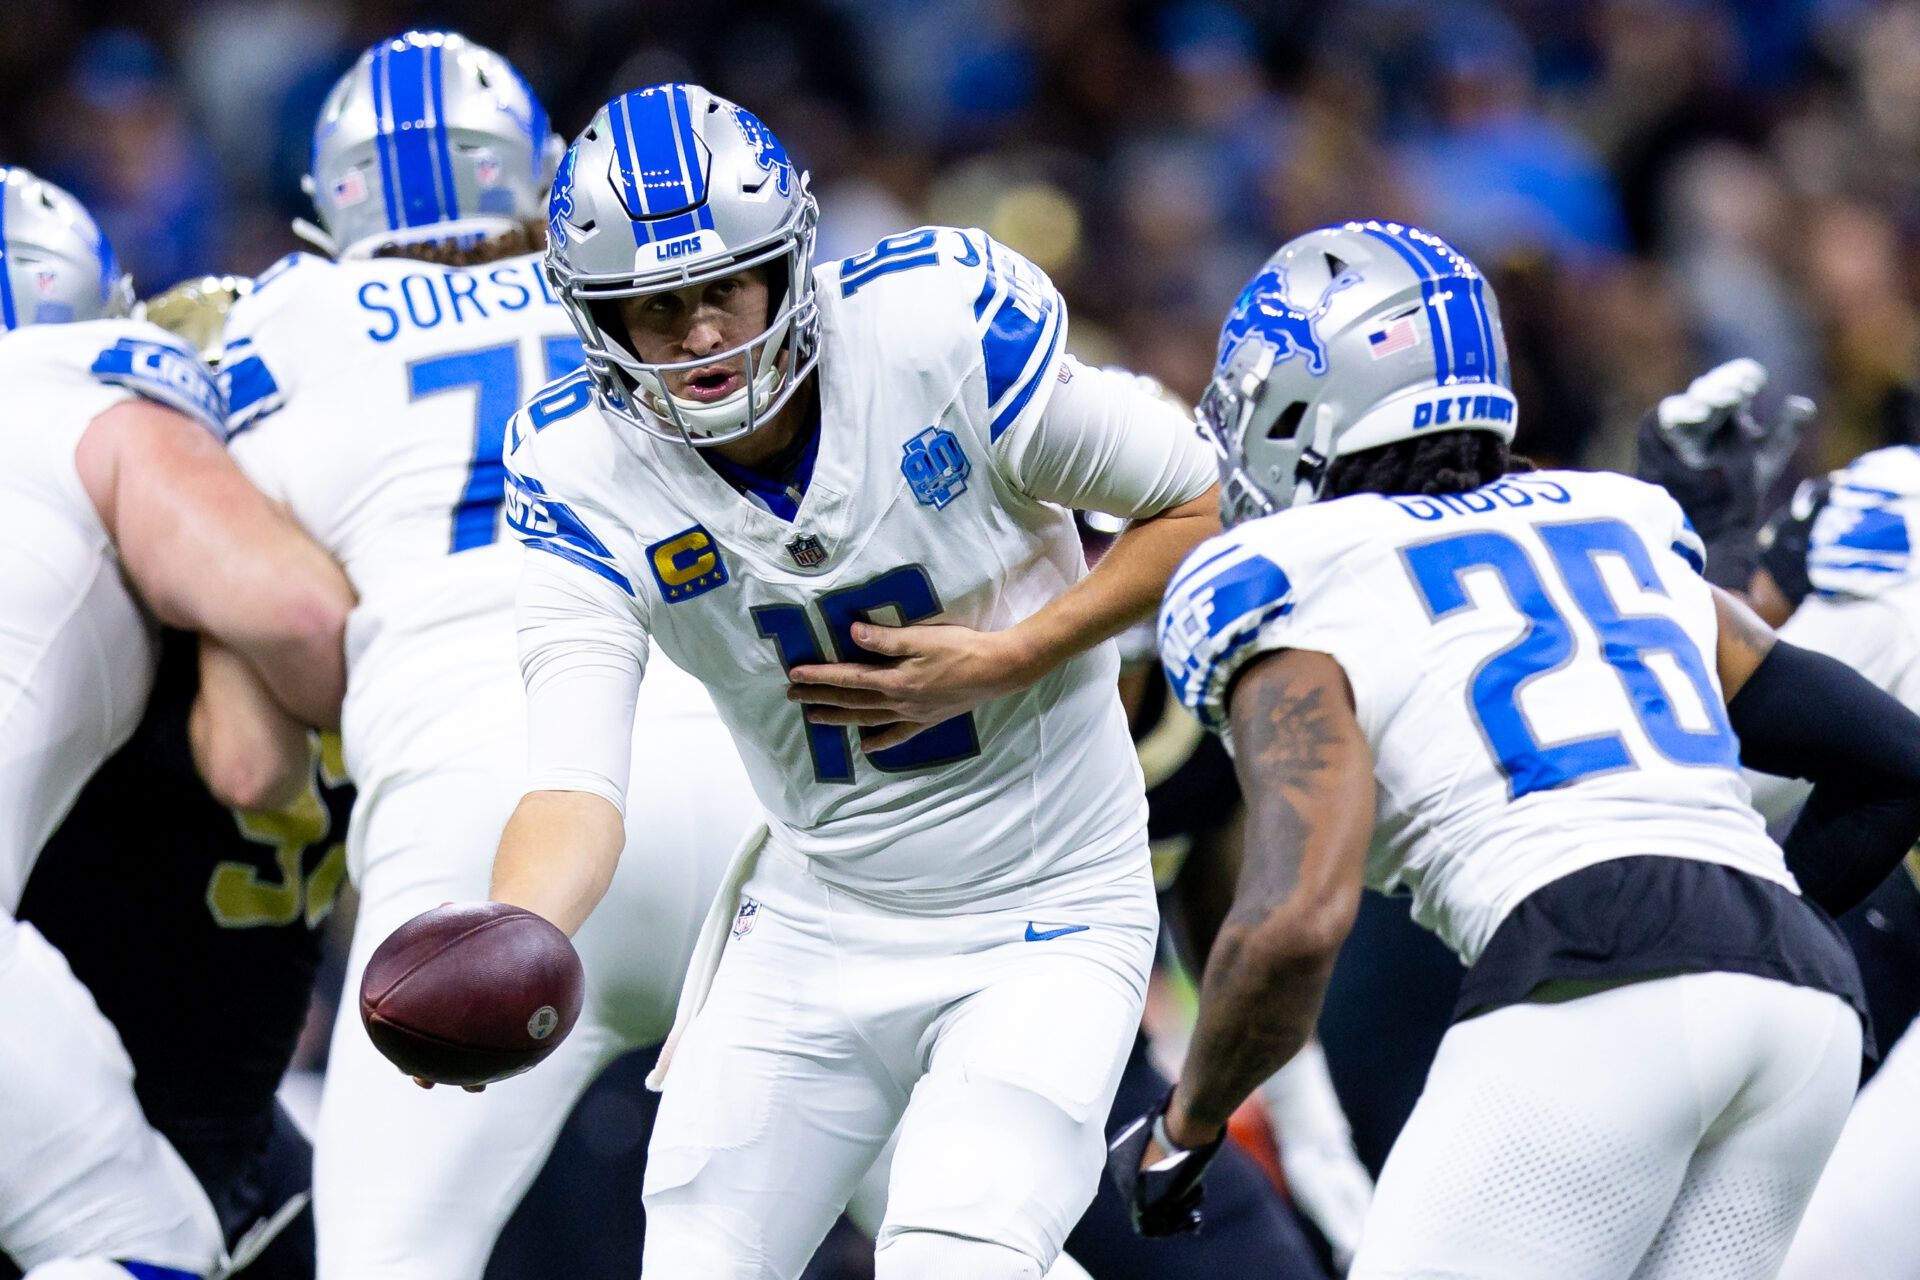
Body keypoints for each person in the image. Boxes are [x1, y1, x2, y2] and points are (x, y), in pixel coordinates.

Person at [481, 82, 1219, 1278]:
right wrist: (507, 939)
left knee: (954, 1255)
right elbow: (572, 780)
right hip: (818, 915)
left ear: (787, 264)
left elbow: (1201, 498)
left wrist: (1015, 652)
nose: (704, 336)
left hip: (1046, 903)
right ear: (597, 319)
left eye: (723, 287)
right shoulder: (580, 471)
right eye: (656, 309)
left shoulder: (937, 335)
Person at [1114, 220, 1920, 1278]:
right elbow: (1894, 757)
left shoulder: (1286, 572)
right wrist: (1759, 932)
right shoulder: (1612, 519)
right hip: (1800, 1002)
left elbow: (1295, 917)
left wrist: (1188, 1123)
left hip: (1594, 972)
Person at [208, 33, 760, 1280]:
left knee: (391, 1258)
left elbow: (247, 758)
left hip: (478, 827)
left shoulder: (273, 329)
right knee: (966, 1229)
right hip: (753, 787)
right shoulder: (643, 283)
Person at [0, 167, 352, 1280]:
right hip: (180, 1121)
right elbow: (270, 713)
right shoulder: (134, 458)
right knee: (137, 1241)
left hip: (205, 1127)